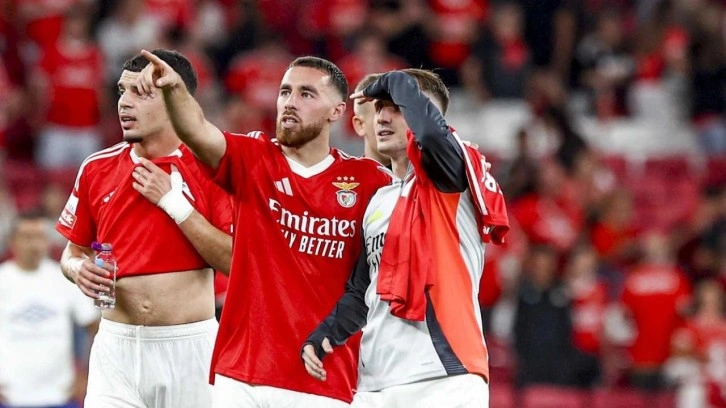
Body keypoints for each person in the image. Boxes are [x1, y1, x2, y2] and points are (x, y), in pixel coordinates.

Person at [135, 51, 391, 407]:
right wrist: (174, 89)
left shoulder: (369, 181)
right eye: (285, 92)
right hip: (243, 376)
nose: (290, 102)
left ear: (336, 111)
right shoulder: (254, 158)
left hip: (326, 378)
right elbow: (197, 130)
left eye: (306, 93)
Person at [301, 69, 510, 407]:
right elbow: (363, 290)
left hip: (445, 376)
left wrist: (393, 81)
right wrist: (327, 333)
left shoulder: (451, 176)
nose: (382, 118)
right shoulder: (379, 200)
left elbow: (430, 133)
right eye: (378, 108)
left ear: (421, 111)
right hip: (376, 383)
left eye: (395, 108)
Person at [56, 49, 234, 408]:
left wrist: (174, 204)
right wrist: (78, 269)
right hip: (115, 348)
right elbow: (72, 253)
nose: (124, 102)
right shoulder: (96, 168)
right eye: (122, 91)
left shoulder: (213, 168)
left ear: (176, 100)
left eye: (141, 92)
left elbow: (235, 260)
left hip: (189, 350)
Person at [0, 211, 100, 408]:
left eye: (40, 237)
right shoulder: (2, 279)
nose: (34, 244)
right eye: (27, 237)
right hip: (10, 396)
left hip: (61, 395)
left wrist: (86, 374)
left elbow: (94, 326)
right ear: (12, 241)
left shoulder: (65, 278)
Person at [351, 74, 390, 167]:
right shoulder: (343, 176)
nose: (388, 119)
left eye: (397, 111)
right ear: (360, 125)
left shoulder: (424, 174)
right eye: (379, 111)